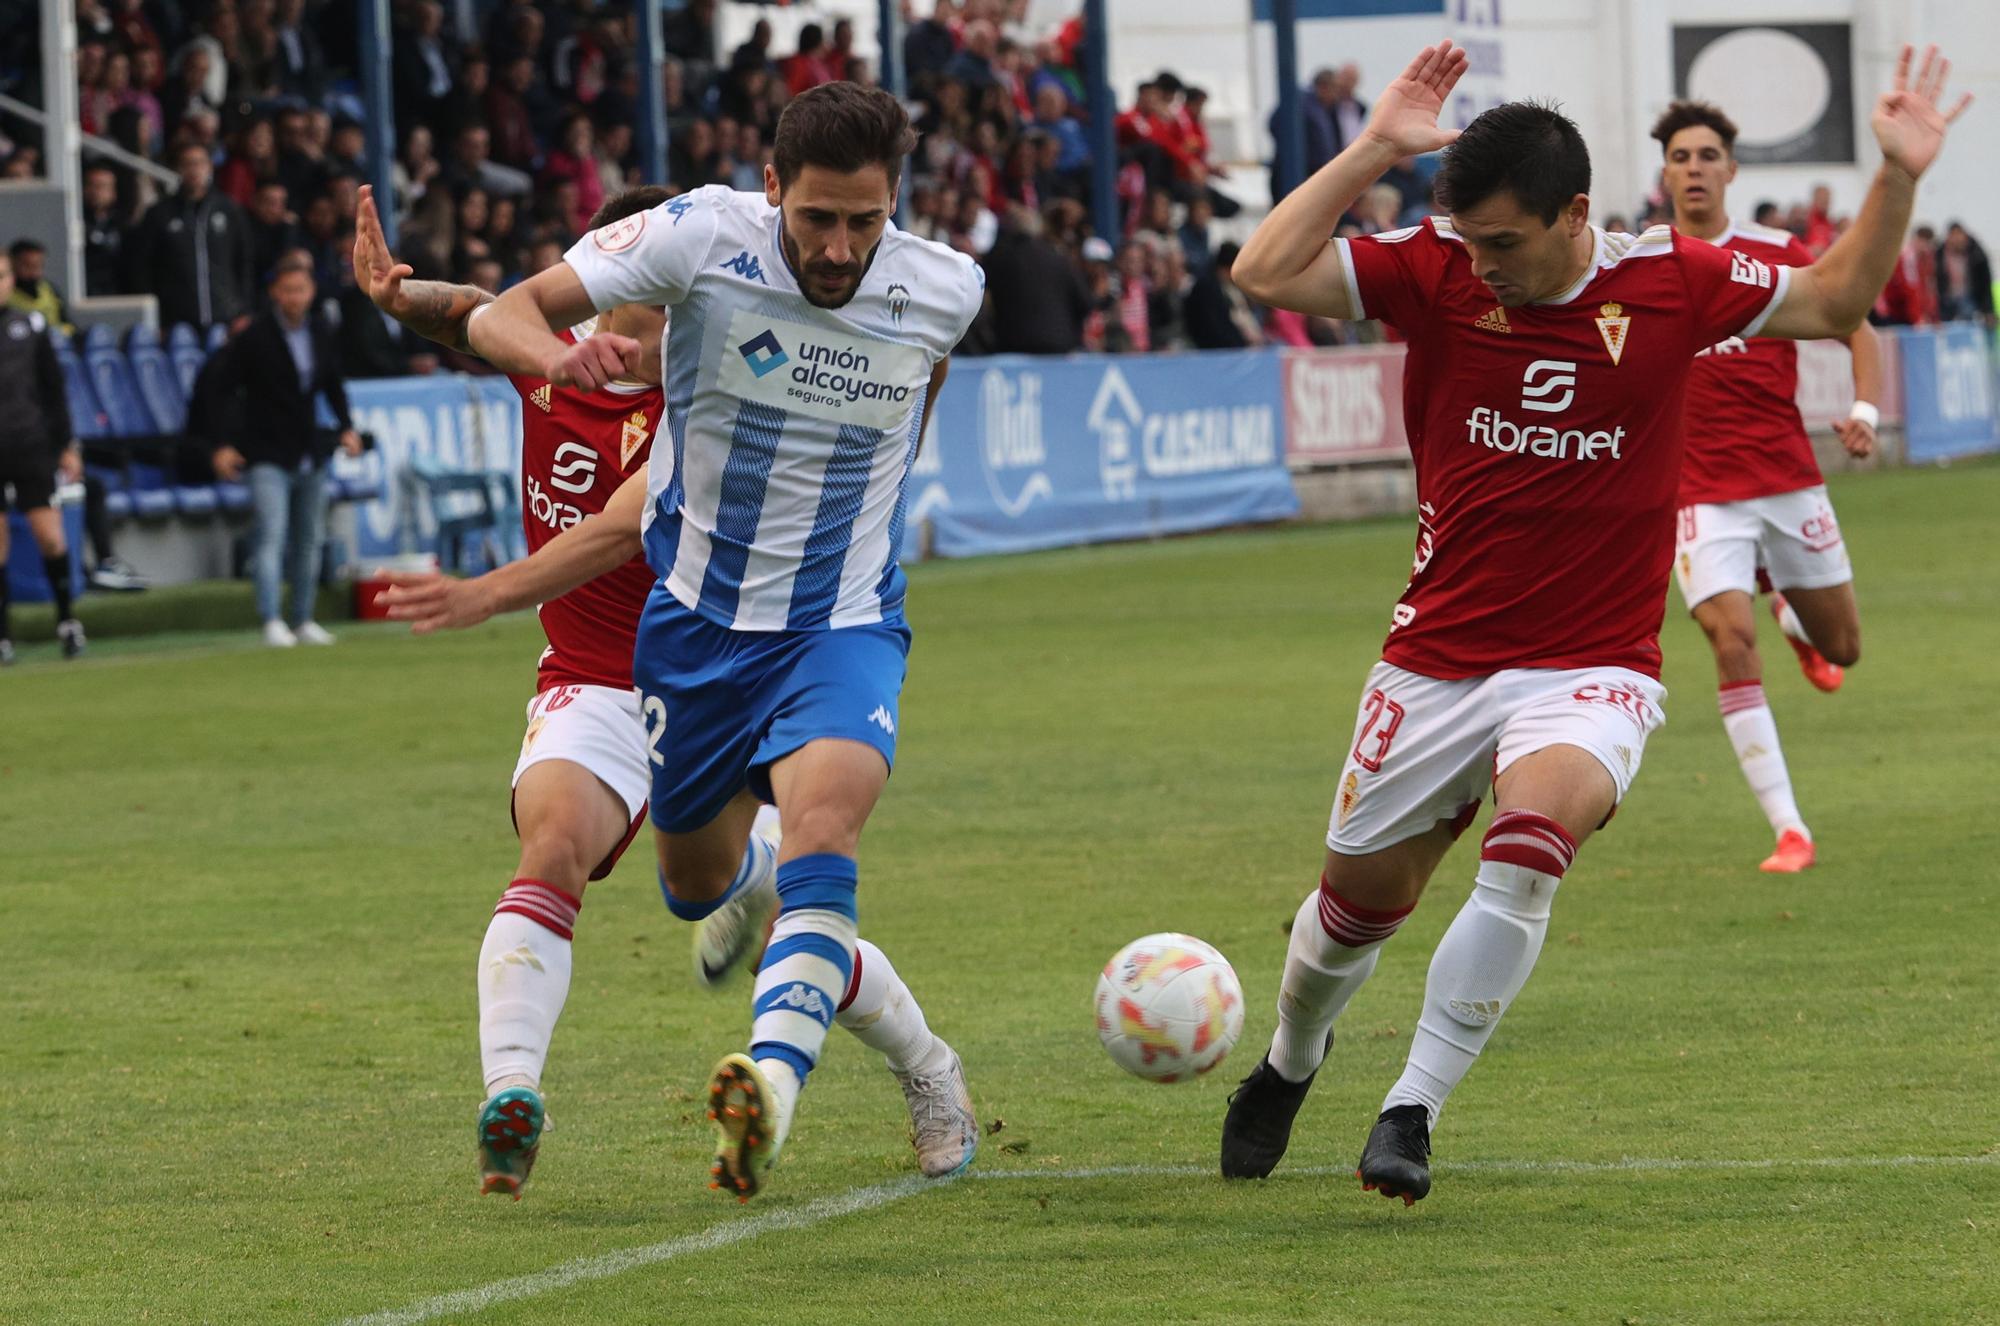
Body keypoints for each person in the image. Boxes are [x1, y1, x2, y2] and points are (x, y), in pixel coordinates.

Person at [1216, 41, 1966, 1204]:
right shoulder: (1437, 269)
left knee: (1525, 853)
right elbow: (1262, 272)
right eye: (1469, 243)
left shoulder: (1670, 283)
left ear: (1573, 215)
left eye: (1504, 245)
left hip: (1591, 667)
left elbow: (1831, 298)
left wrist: (1898, 177)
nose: (1484, 268)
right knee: (1351, 913)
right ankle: (1287, 1059)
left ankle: (1408, 1108)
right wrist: (1372, 147)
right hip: (1432, 660)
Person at [387, 82, 985, 1203]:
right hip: (697, 637)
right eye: (815, 219)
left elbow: (920, 389)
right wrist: (550, 356)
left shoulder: (944, 288)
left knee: (824, 832)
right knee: (695, 886)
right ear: (772, 191)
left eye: (863, 221)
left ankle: (775, 1088)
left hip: (840, 625)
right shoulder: (700, 235)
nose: (838, 246)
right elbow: (515, 303)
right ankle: (899, 1029)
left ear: (894, 203)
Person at [1654, 100, 1881, 874]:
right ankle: (1790, 829)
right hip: (1698, 495)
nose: (1694, 168)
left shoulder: (1774, 251)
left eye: (1707, 155)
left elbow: (1855, 322)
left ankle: (1790, 610)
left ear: (1731, 169)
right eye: (1681, 156)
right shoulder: (1643, 261)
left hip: (1787, 481)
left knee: (1843, 646)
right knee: (1728, 639)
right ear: (1665, 172)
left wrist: (1863, 408)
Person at [205, 252, 363, 646]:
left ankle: (303, 618)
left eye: (302, 289)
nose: (295, 297)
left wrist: (346, 427)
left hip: (309, 449)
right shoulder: (253, 337)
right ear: (275, 292)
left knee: (309, 537)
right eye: (288, 290)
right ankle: (271, 618)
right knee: (271, 534)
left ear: (311, 292)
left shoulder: (320, 332)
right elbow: (222, 391)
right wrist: (223, 443)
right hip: (265, 450)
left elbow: (332, 385)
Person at [0, 251, 86, 663]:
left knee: (50, 537)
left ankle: (67, 621)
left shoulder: (30, 326)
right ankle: (3, 636)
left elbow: (53, 390)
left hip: (30, 446)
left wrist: (66, 444)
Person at [131, 140, 256, 330]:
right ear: (178, 169)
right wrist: (158, 319)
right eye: (187, 164)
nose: (194, 170)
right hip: (177, 322)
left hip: (226, 318)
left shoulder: (229, 210)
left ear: (209, 167)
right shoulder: (160, 214)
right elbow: (142, 268)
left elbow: (245, 262)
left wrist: (244, 310)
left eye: (199, 163)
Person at [6, 240, 73, 333]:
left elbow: (66, 322)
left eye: (39, 266)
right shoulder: (5, 294)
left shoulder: (48, 289)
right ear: (12, 264)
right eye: (27, 266)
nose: (35, 272)